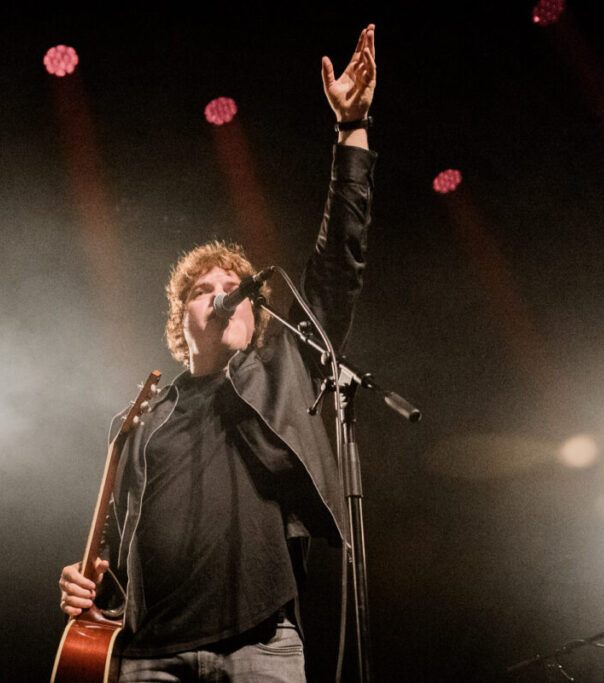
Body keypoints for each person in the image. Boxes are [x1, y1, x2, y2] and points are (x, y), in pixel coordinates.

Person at [59, 23, 377, 682]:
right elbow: (122, 551)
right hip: (150, 651)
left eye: (235, 287)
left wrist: (352, 129)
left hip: (260, 642)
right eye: (205, 290)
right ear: (183, 319)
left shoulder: (280, 367)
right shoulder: (143, 419)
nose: (223, 296)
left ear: (256, 311)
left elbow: (337, 265)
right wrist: (92, 588)